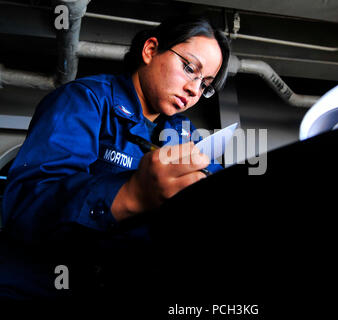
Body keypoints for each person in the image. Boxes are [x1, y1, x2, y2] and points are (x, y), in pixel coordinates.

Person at [0, 16, 230, 299]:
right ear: (150, 50)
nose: (194, 89)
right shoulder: (84, 100)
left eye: (205, 84)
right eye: (189, 68)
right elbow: (26, 205)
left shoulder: (182, 133)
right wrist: (130, 194)